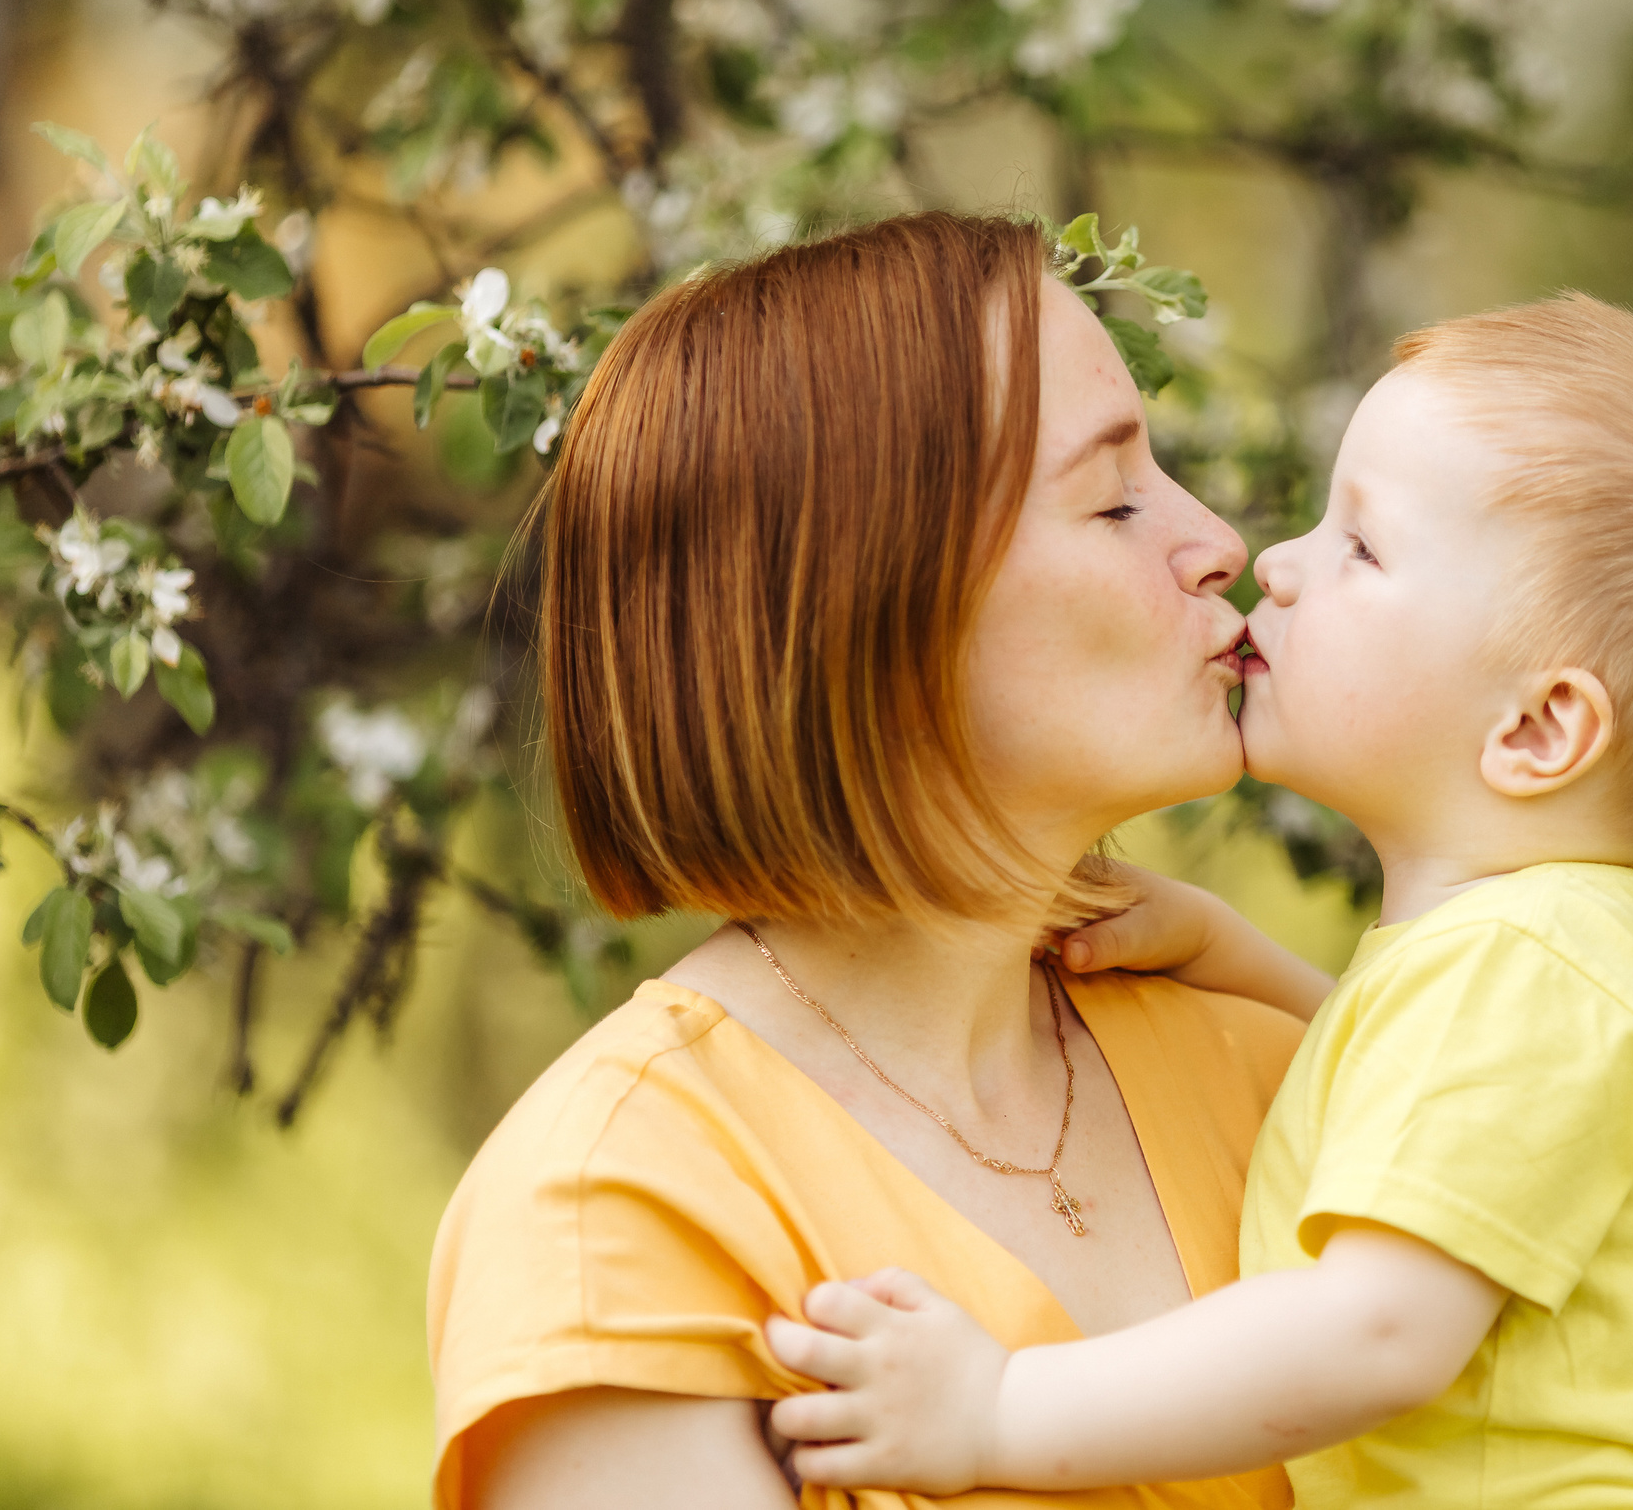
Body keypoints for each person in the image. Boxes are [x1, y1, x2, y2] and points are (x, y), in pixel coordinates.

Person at [760, 293, 1633, 1510]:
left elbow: (1377, 1333)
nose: (1274, 562)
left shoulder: (1529, 963)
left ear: (1538, 727)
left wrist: (998, 1413)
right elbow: (1431, 1103)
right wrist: (1235, 953)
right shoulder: (1552, 959)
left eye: (1361, 547)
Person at [424, 212, 1314, 1510]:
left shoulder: (1265, 1053)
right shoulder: (620, 1197)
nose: (1222, 538)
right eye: (1115, 495)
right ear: (869, 606)